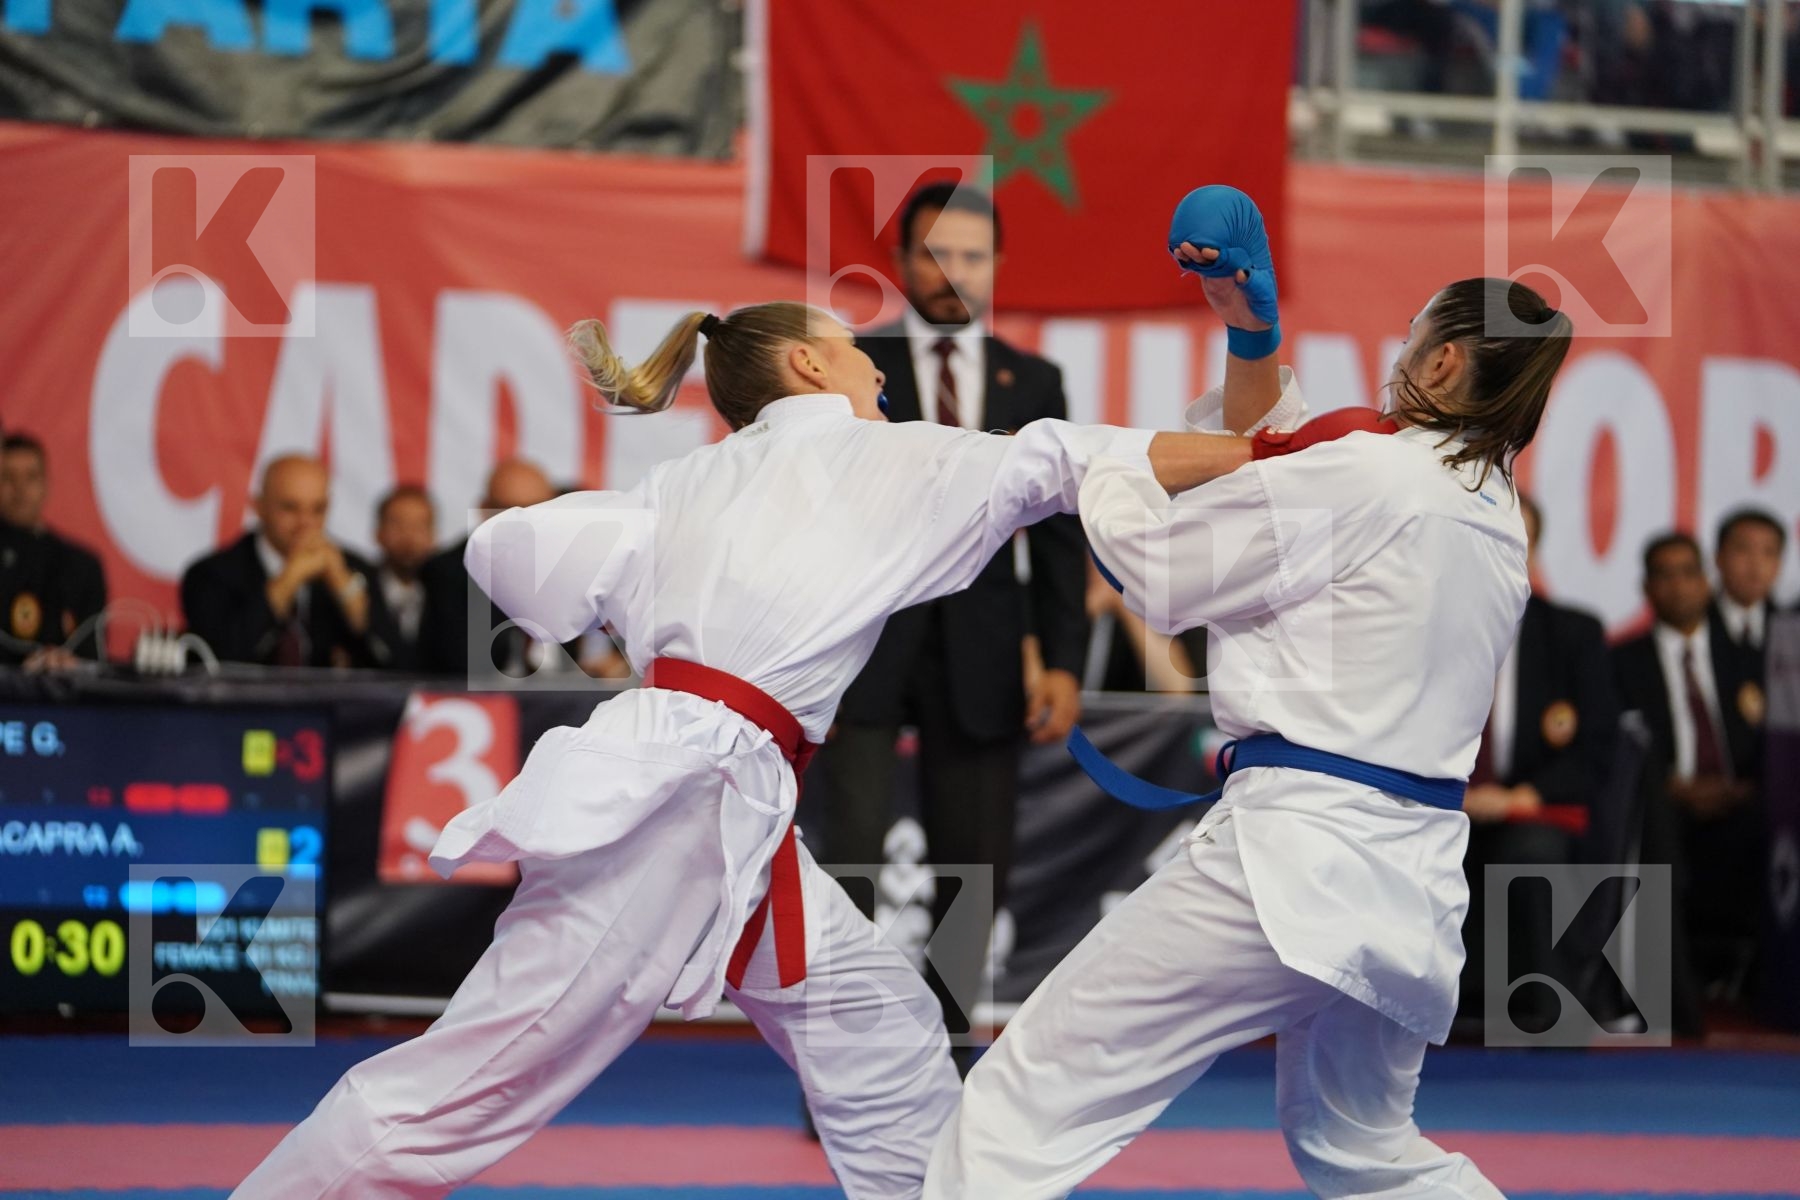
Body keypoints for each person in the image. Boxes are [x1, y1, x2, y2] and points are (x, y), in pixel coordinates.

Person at [229, 274, 1284, 1199]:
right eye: (854, 349)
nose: (877, 367)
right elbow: (1067, 456)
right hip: (678, 808)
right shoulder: (880, 457)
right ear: (805, 365)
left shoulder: (685, 481)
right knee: (468, 1081)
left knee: (880, 1029)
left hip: (720, 800)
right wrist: (1273, 453)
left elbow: (507, 553)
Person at [925, 276, 1574, 1200]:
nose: (1396, 357)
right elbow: (1289, 477)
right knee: (1364, 1149)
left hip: (1291, 862)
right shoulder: (1495, 511)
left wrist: (1102, 463)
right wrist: (1252, 342)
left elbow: (1163, 568)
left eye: (1411, 336)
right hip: (1413, 884)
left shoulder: (1374, 473)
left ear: (1442, 362)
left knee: (1026, 1097)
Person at [814, 182, 1088, 1058]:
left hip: (985, 650)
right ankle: (844, 1061)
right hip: (859, 644)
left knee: (974, 870)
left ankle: (949, 1057)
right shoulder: (850, 365)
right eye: (936, 254)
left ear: (998, 265)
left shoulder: (1033, 380)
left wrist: (1064, 663)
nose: (953, 271)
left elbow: (1059, 536)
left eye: (971, 255)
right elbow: (813, 514)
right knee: (848, 862)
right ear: (901, 262)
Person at [1457, 492, 1620, 1027]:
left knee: (1530, 852)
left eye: (1515, 540)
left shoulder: (1573, 634)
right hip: (1442, 801)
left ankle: (1541, 1013)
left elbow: (1597, 744)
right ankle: (1417, 1011)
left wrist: (1523, 796)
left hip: (1535, 805)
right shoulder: (1429, 629)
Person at [1614, 531, 1763, 1002]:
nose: (1678, 586)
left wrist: (1745, 787)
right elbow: (1620, 751)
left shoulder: (1748, 657)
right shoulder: (1620, 662)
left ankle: (1765, 982)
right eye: (1664, 575)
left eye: (1688, 573)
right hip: (1662, 804)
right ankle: (1669, 992)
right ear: (1646, 588)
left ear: (1706, 582)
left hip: (1742, 799)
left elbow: (1771, 745)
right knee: (1653, 831)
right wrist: (1670, 788)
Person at [180, 455, 390, 669]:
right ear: (259, 506)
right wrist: (288, 580)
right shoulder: (210, 574)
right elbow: (218, 660)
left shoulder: (354, 568)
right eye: (290, 508)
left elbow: (396, 664)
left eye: (318, 509)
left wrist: (347, 592)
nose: (305, 522)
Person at [414, 458, 567, 678]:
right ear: (484, 509)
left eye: (537, 509)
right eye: (510, 511)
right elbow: (463, 663)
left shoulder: (571, 563)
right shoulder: (447, 573)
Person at [0, 432, 107, 665]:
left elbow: (92, 657)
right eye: (8, 477)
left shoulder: (80, 565)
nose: (19, 489)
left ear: (46, 484)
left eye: (31, 477)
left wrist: (68, 664)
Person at [1708, 507, 1785, 671]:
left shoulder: (1790, 629)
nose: (1756, 564)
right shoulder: (1694, 623)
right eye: (1743, 549)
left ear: (1779, 565)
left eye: (1768, 552)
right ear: (1718, 558)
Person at [370, 484, 437, 671]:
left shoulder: (447, 595)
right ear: (378, 533)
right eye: (397, 524)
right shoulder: (360, 590)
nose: (409, 537)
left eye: (419, 526)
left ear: (433, 536)